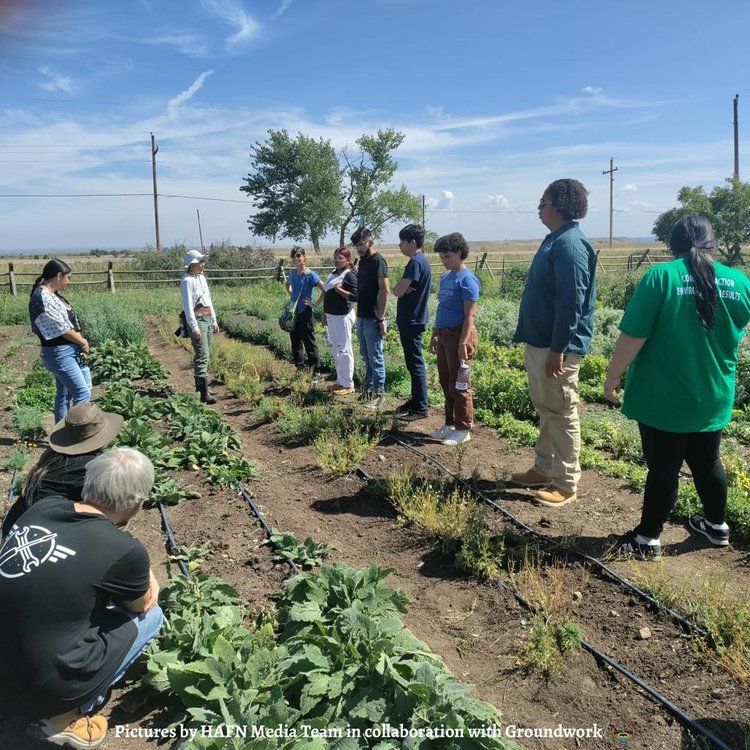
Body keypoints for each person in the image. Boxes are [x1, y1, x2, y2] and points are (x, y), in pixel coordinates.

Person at [604, 215, 750, 560]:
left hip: (664, 397)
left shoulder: (661, 277)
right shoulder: (739, 281)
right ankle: (716, 527)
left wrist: (612, 378)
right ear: (712, 243)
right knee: (708, 460)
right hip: (713, 394)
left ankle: (647, 539)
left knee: (664, 468)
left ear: (674, 246)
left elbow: (632, 337)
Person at [0, 447, 162, 750]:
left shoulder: (43, 507)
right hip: (40, 686)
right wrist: (145, 572)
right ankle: (66, 714)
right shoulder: (124, 549)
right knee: (152, 617)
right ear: (136, 503)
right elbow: (142, 604)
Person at [509, 179, 596, 508]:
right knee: (547, 408)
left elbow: (571, 302)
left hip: (557, 347)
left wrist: (559, 348)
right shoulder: (556, 240)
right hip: (543, 342)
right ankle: (544, 468)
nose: (539, 209)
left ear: (559, 206)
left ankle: (566, 482)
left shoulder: (570, 245)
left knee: (561, 411)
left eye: (542, 203)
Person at [2, 402, 124, 538]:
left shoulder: (52, 456)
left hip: (14, 527)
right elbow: (110, 512)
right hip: (37, 537)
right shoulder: (89, 467)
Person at [428, 232, 480, 446]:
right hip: (444, 334)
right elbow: (442, 308)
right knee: (445, 381)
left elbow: (469, 316)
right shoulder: (447, 276)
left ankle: (463, 427)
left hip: (459, 334)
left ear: (459, 253)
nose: (443, 260)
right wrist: (434, 334)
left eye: (447, 256)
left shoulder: (468, 280)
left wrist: (463, 343)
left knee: (460, 383)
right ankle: (450, 423)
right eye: (441, 257)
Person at [28, 259, 91, 422]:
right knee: (83, 394)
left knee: (63, 395)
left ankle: (60, 435)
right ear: (58, 276)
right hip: (60, 354)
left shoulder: (50, 295)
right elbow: (63, 329)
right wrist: (82, 341)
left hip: (61, 352)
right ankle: (78, 436)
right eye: (68, 278)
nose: (68, 282)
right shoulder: (43, 297)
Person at [392, 223, 432, 421]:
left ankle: (420, 407)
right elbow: (402, 289)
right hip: (413, 318)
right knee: (412, 362)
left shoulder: (415, 262)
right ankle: (416, 400)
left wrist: (400, 288)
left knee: (415, 363)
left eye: (402, 241)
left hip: (411, 319)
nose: (400, 245)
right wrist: (401, 288)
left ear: (412, 242)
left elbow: (397, 291)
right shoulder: (421, 261)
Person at [352, 227, 390, 409]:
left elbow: (385, 291)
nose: (358, 248)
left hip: (373, 318)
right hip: (361, 315)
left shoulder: (378, 262)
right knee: (366, 356)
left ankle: (380, 394)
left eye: (361, 244)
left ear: (370, 241)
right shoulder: (364, 261)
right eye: (356, 246)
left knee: (375, 356)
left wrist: (381, 318)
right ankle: (369, 389)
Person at [180, 249, 219, 404]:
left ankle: (203, 389)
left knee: (206, 354)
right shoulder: (187, 281)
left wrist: (214, 320)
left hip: (208, 318)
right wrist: (194, 327)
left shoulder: (201, 277)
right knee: (202, 355)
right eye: (200, 262)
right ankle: (203, 394)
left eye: (202, 261)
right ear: (192, 265)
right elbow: (188, 306)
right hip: (198, 320)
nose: (203, 264)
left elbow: (208, 300)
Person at [322, 246, 358, 395]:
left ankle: (348, 384)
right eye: (335, 257)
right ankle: (340, 381)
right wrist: (324, 314)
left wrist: (340, 290)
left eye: (340, 258)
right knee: (336, 349)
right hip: (332, 316)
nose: (337, 260)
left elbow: (356, 296)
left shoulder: (349, 275)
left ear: (347, 260)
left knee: (344, 349)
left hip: (342, 316)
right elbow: (326, 293)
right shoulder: (333, 273)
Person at [285, 246, 325, 382]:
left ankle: (316, 370)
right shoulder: (292, 274)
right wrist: (291, 295)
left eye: (298, 255)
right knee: (295, 341)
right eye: (294, 256)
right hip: (293, 313)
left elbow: (324, 289)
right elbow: (287, 285)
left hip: (306, 311)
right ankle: (300, 368)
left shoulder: (310, 275)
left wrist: (315, 304)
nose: (296, 258)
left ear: (304, 257)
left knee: (309, 341)